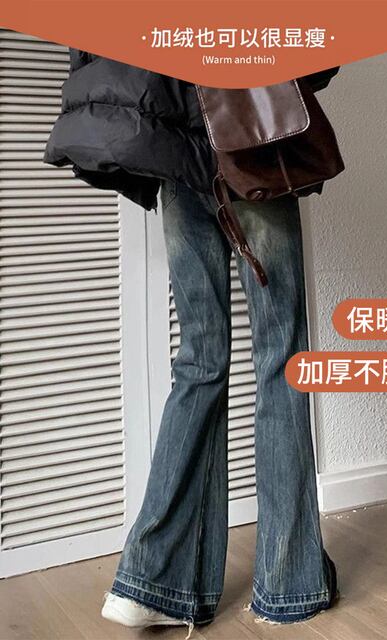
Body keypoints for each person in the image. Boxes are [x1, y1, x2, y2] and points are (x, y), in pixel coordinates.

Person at [44, 51, 340, 634]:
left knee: (200, 360)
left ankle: (152, 582)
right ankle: (289, 585)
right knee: (282, 358)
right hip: (248, 139)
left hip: (173, 147)